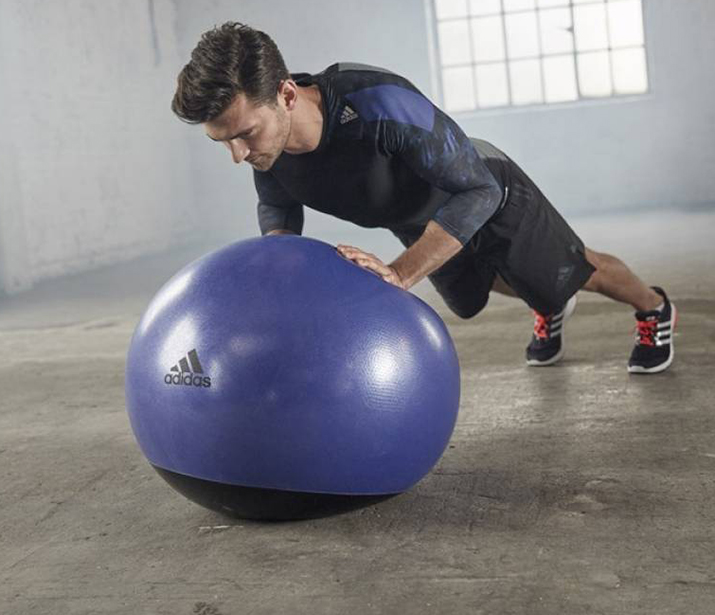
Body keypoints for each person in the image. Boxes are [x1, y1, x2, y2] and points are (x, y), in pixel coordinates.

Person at [171, 22, 676, 374]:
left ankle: (653, 308)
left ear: (285, 95)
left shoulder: (377, 102)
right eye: (224, 142)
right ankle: (544, 299)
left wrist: (400, 273)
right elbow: (278, 207)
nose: (238, 155)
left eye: (245, 134)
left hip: (484, 188)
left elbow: (478, 189)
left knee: (571, 270)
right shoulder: (266, 147)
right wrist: (276, 273)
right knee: (472, 296)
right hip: (416, 219)